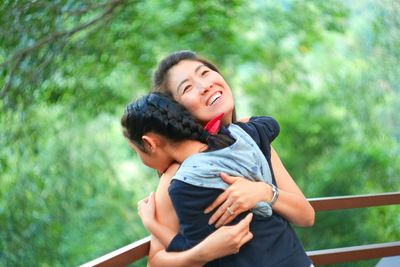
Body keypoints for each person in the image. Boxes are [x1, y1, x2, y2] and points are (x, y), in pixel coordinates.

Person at [138, 50, 315, 267]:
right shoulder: (179, 174)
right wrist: (204, 252)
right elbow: (156, 262)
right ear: (177, 113)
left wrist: (263, 191)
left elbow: (306, 215)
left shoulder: (250, 136)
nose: (205, 86)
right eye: (187, 87)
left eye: (204, 73)